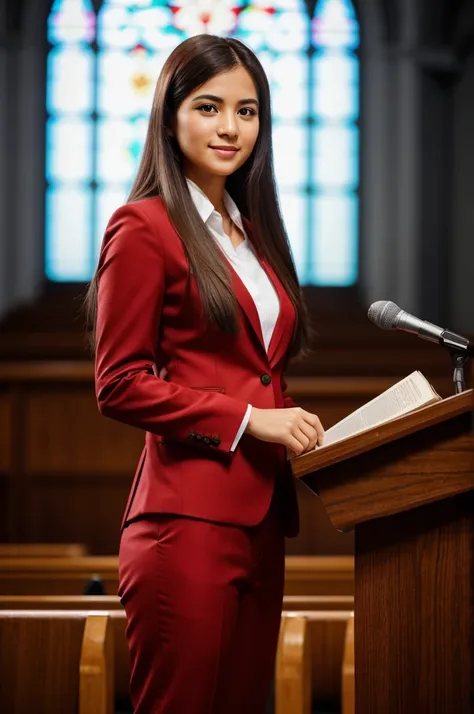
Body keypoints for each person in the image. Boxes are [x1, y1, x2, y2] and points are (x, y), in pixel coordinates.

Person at [86, 33, 324, 714]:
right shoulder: (143, 227)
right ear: (170, 114)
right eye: (210, 106)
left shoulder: (254, 233)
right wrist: (253, 420)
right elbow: (119, 382)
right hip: (183, 521)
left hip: (259, 521)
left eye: (247, 112)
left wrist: (308, 431)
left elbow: (253, 369)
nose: (230, 127)